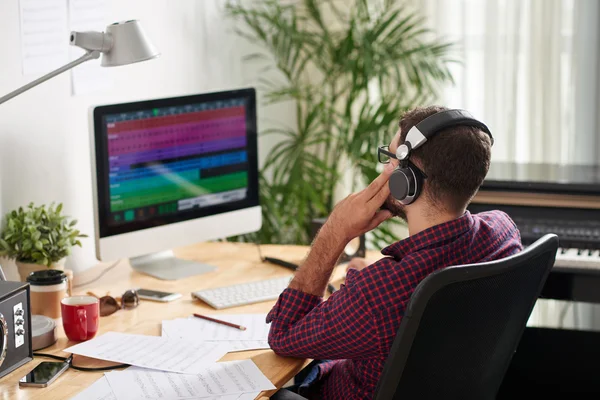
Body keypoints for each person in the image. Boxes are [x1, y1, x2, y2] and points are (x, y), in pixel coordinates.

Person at [266, 106, 523, 400]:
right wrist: (364, 284)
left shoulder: (379, 295)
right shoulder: (503, 231)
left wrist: (336, 229)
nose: (384, 171)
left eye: (390, 160)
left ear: (407, 180)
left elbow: (283, 335)